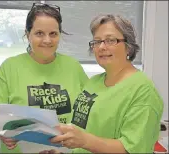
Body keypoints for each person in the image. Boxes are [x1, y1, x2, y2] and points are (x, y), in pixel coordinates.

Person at [0, 3, 89, 153]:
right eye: (39, 33)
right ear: (27, 34)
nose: (47, 40)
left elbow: (88, 111)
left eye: (53, 34)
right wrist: (4, 133)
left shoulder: (73, 67)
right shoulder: (9, 67)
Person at [48, 14, 164, 153]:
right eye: (97, 41)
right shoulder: (93, 83)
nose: (101, 47)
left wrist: (85, 141)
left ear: (128, 47)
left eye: (110, 40)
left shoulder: (143, 91)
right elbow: (82, 130)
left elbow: (131, 149)